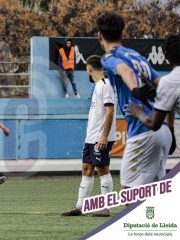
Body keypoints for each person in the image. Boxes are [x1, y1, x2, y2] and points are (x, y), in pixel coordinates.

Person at [97, 11, 171, 189]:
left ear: (99, 36)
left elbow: (125, 71)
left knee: (128, 191)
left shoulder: (109, 57)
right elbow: (162, 83)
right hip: (163, 129)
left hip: (142, 129)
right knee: (153, 191)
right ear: (123, 34)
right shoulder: (137, 55)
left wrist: (135, 90)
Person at [61, 55, 116, 217]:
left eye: (86, 68)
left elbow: (110, 111)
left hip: (100, 137)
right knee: (86, 169)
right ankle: (80, 206)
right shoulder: (98, 86)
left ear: (90, 68)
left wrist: (104, 136)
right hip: (91, 137)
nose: (86, 71)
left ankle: (106, 207)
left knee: (102, 170)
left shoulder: (105, 85)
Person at [124, 33, 179, 155]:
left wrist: (138, 113)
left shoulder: (169, 82)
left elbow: (154, 124)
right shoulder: (168, 84)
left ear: (165, 56)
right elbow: (170, 98)